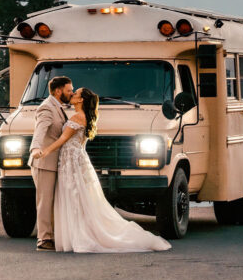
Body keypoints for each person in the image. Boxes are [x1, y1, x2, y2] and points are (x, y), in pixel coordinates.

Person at [36, 87, 171, 253]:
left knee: (74, 196)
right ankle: (75, 232)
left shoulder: (78, 117)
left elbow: (62, 140)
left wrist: (45, 151)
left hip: (72, 163)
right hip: (73, 160)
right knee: (77, 197)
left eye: (75, 93)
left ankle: (79, 234)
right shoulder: (81, 116)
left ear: (81, 100)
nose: (72, 94)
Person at [29, 75, 74, 251]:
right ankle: (44, 239)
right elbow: (40, 131)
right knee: (45, 201)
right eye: (69, 90)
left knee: (53, 200)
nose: (71, 93)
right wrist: (35, 149)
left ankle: (53, 236)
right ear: (58, 91)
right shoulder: (46, 108)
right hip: (43, 162)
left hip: (54, 162)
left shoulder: (58, 107)